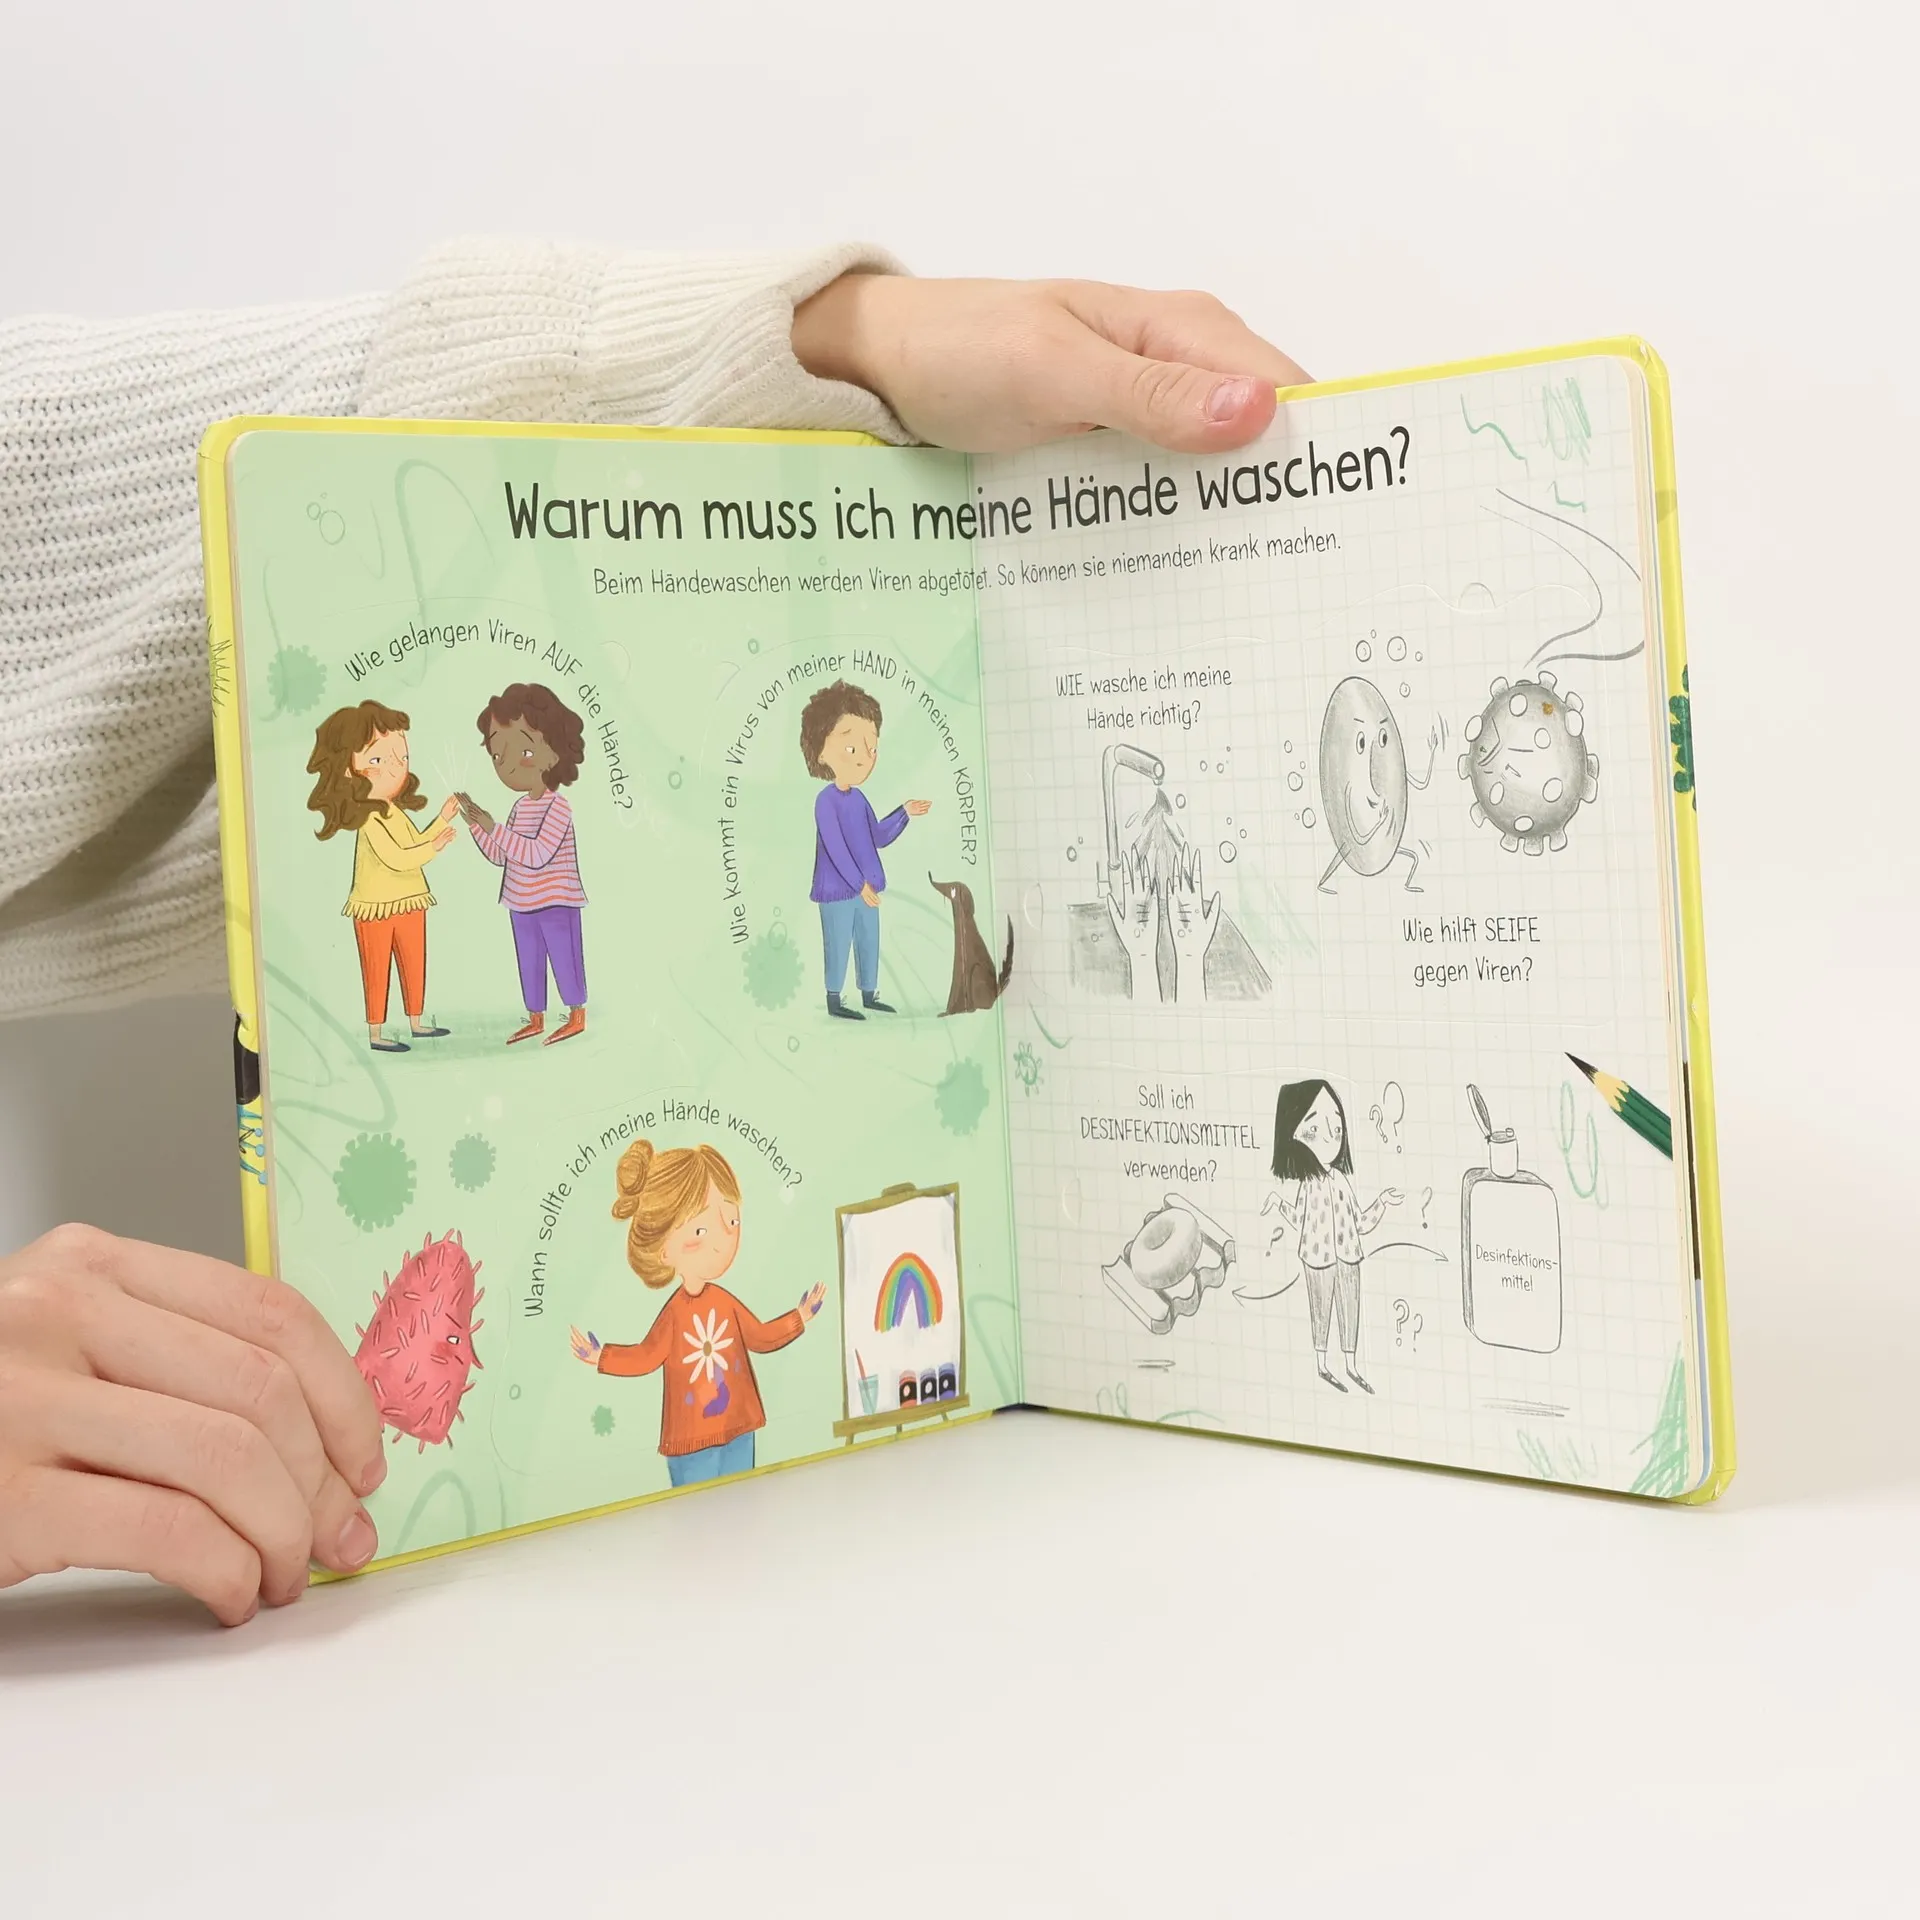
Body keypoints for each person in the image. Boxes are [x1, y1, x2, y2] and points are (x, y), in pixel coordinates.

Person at [0, 241, 1308, 1623]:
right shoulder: (687, 838)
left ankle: (603, 1008)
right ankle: (626, 1008)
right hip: (720, 1030)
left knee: (611, 971)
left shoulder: (583, 817)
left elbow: (95, 519)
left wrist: (833, 342)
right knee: (733, 976)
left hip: (631, 967)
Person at [569, 1140, 823, 1486]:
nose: (722, 1241)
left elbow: (760, 1337)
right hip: (691, 1443)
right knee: (696, 1510)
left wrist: (800, 1316)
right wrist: (602, 1356)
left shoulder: (725, 1302)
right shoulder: (675, 1314)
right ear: (664, 1251)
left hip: (739, 1429)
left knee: (742, 1503)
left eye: (731, 1220)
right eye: (700, 1231)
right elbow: (646, 1355)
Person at [306, 699, 460, 1052]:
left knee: (414, 962)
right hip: (375, 907)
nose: (394, 769)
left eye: (401, 758)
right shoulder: (368, 818)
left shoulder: (392, 811)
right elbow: (397, 858)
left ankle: (416, 1022)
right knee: (377, 970)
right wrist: (434, 847)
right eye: (377, 761)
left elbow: (414, 842)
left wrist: (442, 819)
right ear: (348, 770)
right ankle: (376, 1033)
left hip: (411, 900)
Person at [456, 682, 589, 1047]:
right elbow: (503, 856)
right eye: (499, 757)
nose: (510, 766)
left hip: (556, 900)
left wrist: (492, 827)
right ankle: (535, 1017)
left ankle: (576, 1015)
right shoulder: (520, 807)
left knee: (564, 958)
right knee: (529, 962)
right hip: (520, 901)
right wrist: (477, 826)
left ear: (554, 752)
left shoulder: (558, 806)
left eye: (525, 752)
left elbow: (537, 855)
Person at [800, 678, 929, 1018]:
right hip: (838, 891)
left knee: (869, 941)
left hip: (867, 888)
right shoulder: (825, 802)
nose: (865, 758)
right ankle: (835, 999)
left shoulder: (859, 799)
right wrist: (859, 885)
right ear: (821, 751)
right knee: (838, 942)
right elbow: (836, 849)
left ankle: (869, 995)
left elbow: (878, 836)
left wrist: (904, 813)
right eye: (852, 748)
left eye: (871, 748)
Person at [1267, 1078, 1402, 1394]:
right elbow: (1299, 1219)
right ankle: (1322, 1364)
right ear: (1293, 1137)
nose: (1330, 1137)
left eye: (1337, 1128)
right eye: (1313, 1130)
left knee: (1350, 1311)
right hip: (1317, 1258)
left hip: (1349, 1255)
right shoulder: (1309, 1184)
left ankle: (1351, 1365)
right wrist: (1278, 1203)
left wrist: (1382, 1202)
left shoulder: (1341, 1180)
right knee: (1321, 1311)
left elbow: (1361, 1223)